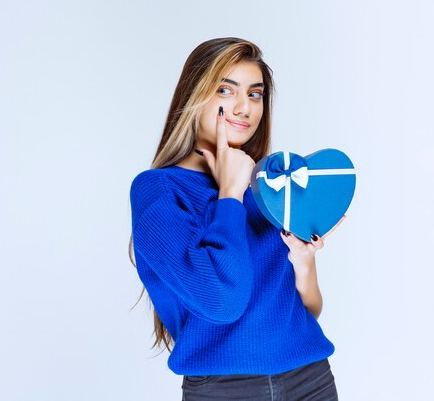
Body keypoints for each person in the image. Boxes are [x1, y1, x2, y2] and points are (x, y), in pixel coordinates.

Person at [128, 37, 345, 400]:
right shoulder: (158, 191)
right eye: (226, 91)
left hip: (311, 381)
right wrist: (229, 192)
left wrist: (304, 263)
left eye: (255, 94)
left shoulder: (270, 186)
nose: (244, 108)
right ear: (194, 97)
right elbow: (221, 303)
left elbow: (308, 312)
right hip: (225, 391)